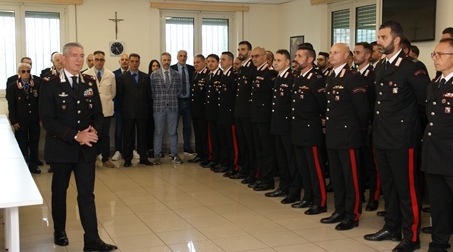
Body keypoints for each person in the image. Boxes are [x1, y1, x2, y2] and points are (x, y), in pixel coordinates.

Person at [39, 42, 118, 251]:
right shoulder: (50, 83)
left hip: (85, 150)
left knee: (86, 194)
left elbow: (99, 115)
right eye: (73, 55)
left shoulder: (89, 82)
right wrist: (76, 135)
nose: (78, 59)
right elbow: (48, 120)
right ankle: (60, 231)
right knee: (59, 192)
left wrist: (93, 132)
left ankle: (92, 239)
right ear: (63, 59)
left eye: (81, 55)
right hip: (61, 148)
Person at [363, 20, 429, 252]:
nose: (379, 42)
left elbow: (424, 105)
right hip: (382, 136)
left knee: (407, 188)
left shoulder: (413, 67)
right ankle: (391, 227)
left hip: (403, 138)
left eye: (383, 37)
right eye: (378, 37)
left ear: (397, 40)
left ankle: (411, 236)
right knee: (388, 186)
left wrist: (411, 130)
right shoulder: (380, 66)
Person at [320, 43, 368, 231]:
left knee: (351, 177)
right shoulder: (331, 76)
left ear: (346, 55)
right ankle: (339, 210)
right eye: (330, 52)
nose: (331, 56)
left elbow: (362, 110)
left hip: (348, 135)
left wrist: (358, 132)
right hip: (333, 134)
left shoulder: (352, 78)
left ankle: (352, 214)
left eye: (335, 53)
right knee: (336, 176)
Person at [422, 37, 453, 252]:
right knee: (439, 204)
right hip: (433, 153)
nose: (435, 58)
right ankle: (439, 243)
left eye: (440, 54)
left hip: (451, 154)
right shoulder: (434, 83)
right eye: (434, 54)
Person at [290, 45, 327, 214]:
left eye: (299, 56)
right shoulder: (298, 77)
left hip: (310, 129)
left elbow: (323, 106)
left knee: (315, 168)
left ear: (310, 59)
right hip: (297, 128)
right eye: (296, 55)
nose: (295, 58)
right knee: (303, 167)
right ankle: (308, 197)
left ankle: (320, 202)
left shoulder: (316, 79)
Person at [266, 49, 299, 203]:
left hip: (287, 126)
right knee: (282, 159)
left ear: (287, 62)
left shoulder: (291, 79)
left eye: (279, 60)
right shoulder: (278, 78)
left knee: (290, 160)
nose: (275, 63)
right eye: (275, 60)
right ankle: (283, 187)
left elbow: (292, 104)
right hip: (277, 124)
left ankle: (294, 190)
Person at [352, 42, 379, 212]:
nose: (354, 55)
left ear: (367, 56)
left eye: (358, 52)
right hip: (355, 125)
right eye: (353, 52)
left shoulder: (374, 74)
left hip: (369, 124)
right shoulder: (353, 74)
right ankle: (359, 193)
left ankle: (373, 197)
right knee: (358, 161)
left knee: (371, 164)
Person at [248, 46, 278, 191]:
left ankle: (268, 179)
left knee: (267, 150)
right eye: (252, 56)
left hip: (265, 118)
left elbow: (272, 97)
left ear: (265, 57)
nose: (254, 59)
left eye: (257, 56)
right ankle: (261, 176)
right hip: (255, 116)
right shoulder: (256, 71)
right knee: (258, 149)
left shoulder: (270, 73)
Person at [116, 53, 153, 167]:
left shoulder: (145, 77)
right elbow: (119, 96)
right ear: (128, 62)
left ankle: (143, 157)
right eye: (132, 61)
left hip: (142, 112)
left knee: (142, 136)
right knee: (128, 136)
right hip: (128, 112)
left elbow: (148, 95)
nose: (134, 63)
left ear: (139, 63)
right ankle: (128, 159)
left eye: (136, 61)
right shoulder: (122, 77)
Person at [229, 41, 257, 182]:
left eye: (243, 49)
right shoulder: (242, 69)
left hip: (248, 113)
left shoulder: (253, 68)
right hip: (239, 111)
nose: (240, 52)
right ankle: (244, 168)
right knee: (242, 143)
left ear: (250, 52)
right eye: (239, 49)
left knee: (250, 144)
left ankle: (253, 171)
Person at [83, 50, 116, 168]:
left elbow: (113, 93)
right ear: (93, 60)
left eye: (101, 59)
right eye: (97, 59)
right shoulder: (86, 74)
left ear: (104, 61)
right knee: (92, 134)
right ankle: (92, 158)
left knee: (105, 135)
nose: (99, 62)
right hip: (91, 111)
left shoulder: (110, 75)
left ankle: (105, 158)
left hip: (106, 110)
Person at [7, 62, 41, 174]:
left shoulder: (36, 84)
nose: (26, 74)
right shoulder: (13, 86)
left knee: (34, 142)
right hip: (20, 121)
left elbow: (40, 103)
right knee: (21, 143)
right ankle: (22, 166)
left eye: (28, 71)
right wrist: (14, 121)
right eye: (23, 71)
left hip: (34, 120)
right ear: (19, 73)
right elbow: (11, 106)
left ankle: (33, 165)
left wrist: (41, 118)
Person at [151, 52, 183, 165]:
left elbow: (179, 90)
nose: (166, 62)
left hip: (173, 107)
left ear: (171, 60)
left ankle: (174, 154)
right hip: (159, 107)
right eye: (164, 60)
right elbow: (152, 91)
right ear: (161, 60)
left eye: (168, 60)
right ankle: (157, 155)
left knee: (173, 132)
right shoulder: (154, 75)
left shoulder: (176, 74)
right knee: (158, 132)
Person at [213, 51, 239, 176]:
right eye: (221, 59)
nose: (221, 61)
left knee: (231, 142)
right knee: (224, 141)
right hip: (221, 113)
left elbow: (234, 97)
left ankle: (233, 165)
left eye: (223, 59)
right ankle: (225, 163)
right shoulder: (223, 75)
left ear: (230, 61)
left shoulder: (233, 76)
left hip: (229, 115)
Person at [171, 50, 196, 155]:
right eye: (181, 56)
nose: (183, 58)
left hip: (188, 101)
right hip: (176, 101)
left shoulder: (191, 69)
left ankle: (187, 147)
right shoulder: (172, 69)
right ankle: (173, 149)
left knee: (187, 126)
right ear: (177, 57)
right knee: (174, 126)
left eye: (185, 56)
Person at [201, 54, 223, 169]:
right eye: (208, 61)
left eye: (213, 61)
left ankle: (219, 159)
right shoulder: (209, 75)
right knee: (213, 138)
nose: (210, 63)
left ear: (218, 62)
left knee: (219, 138)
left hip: (218, 113)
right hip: (210, 112)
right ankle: (213, 158)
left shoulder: (221, 75)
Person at [188, 55, 209, 164]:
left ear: (204, 63)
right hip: (195, 109)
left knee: (204, 134)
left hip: (203, 110)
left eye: (198, 62)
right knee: (198, 133)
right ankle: (199, 154)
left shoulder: (207, 74)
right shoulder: (195, 74)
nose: (195, 64)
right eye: (194, 62)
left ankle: (206, 156)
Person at [112, 53, 129, 161]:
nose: (124, 61)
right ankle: (118, 150)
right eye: (122, 59)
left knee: (130, 130)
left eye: (126, 60)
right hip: (118, 108)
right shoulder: (114, 75)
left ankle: (130, 149)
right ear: (119, 61)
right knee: (118, 130)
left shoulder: (133, 74)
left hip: (131, 108)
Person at [147, 59, 160, 157]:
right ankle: (150, 148)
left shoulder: (162, 78)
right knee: (150, 128)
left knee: (158, 129)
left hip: (160, 107)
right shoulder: (147, 78)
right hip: (150, 107)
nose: (155, 68)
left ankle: (158, 149)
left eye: (157, 66)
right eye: (153, 66)